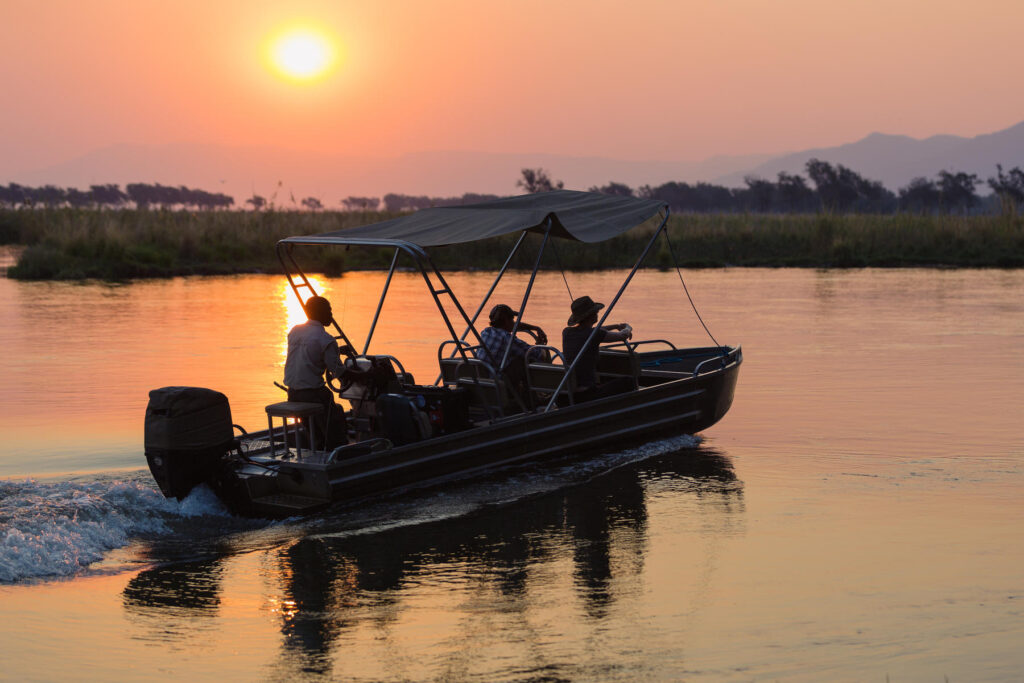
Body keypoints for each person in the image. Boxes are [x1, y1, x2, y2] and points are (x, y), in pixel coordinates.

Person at [283, 296, 349, 450]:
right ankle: (338, 450)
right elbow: (339, 372)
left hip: (293, 394)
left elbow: (309, 353)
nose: (331, 316)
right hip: (313, 395)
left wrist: (337, 351)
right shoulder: (326, 339)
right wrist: (364, 376)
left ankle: (318, 446)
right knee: (336, 413)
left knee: (316, 427)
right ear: (320, 313)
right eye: (329, 311)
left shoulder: (294, 331)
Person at [561, 295, 635, 402]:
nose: (597, 313)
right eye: (596, 312)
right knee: (628, 382)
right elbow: (622, 336)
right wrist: (628, 327)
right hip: (587, 395)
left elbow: (594, 330)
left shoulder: (567, 332)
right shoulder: (593, 334)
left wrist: (616, 326)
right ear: (591, 315)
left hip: (570, 394)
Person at [475, 303, 548, 403]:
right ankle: (531, 401)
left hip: (484, 381)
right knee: (524, 360)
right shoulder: (507, 339)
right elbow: (538, 354)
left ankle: (525, 395)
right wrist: (541, 345)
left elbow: (514, 326)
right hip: (498, 383)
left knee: (514, 359)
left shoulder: (486, 332)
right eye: (512, 319)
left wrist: (535, 328)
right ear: (506, 321)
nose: (514, 322)